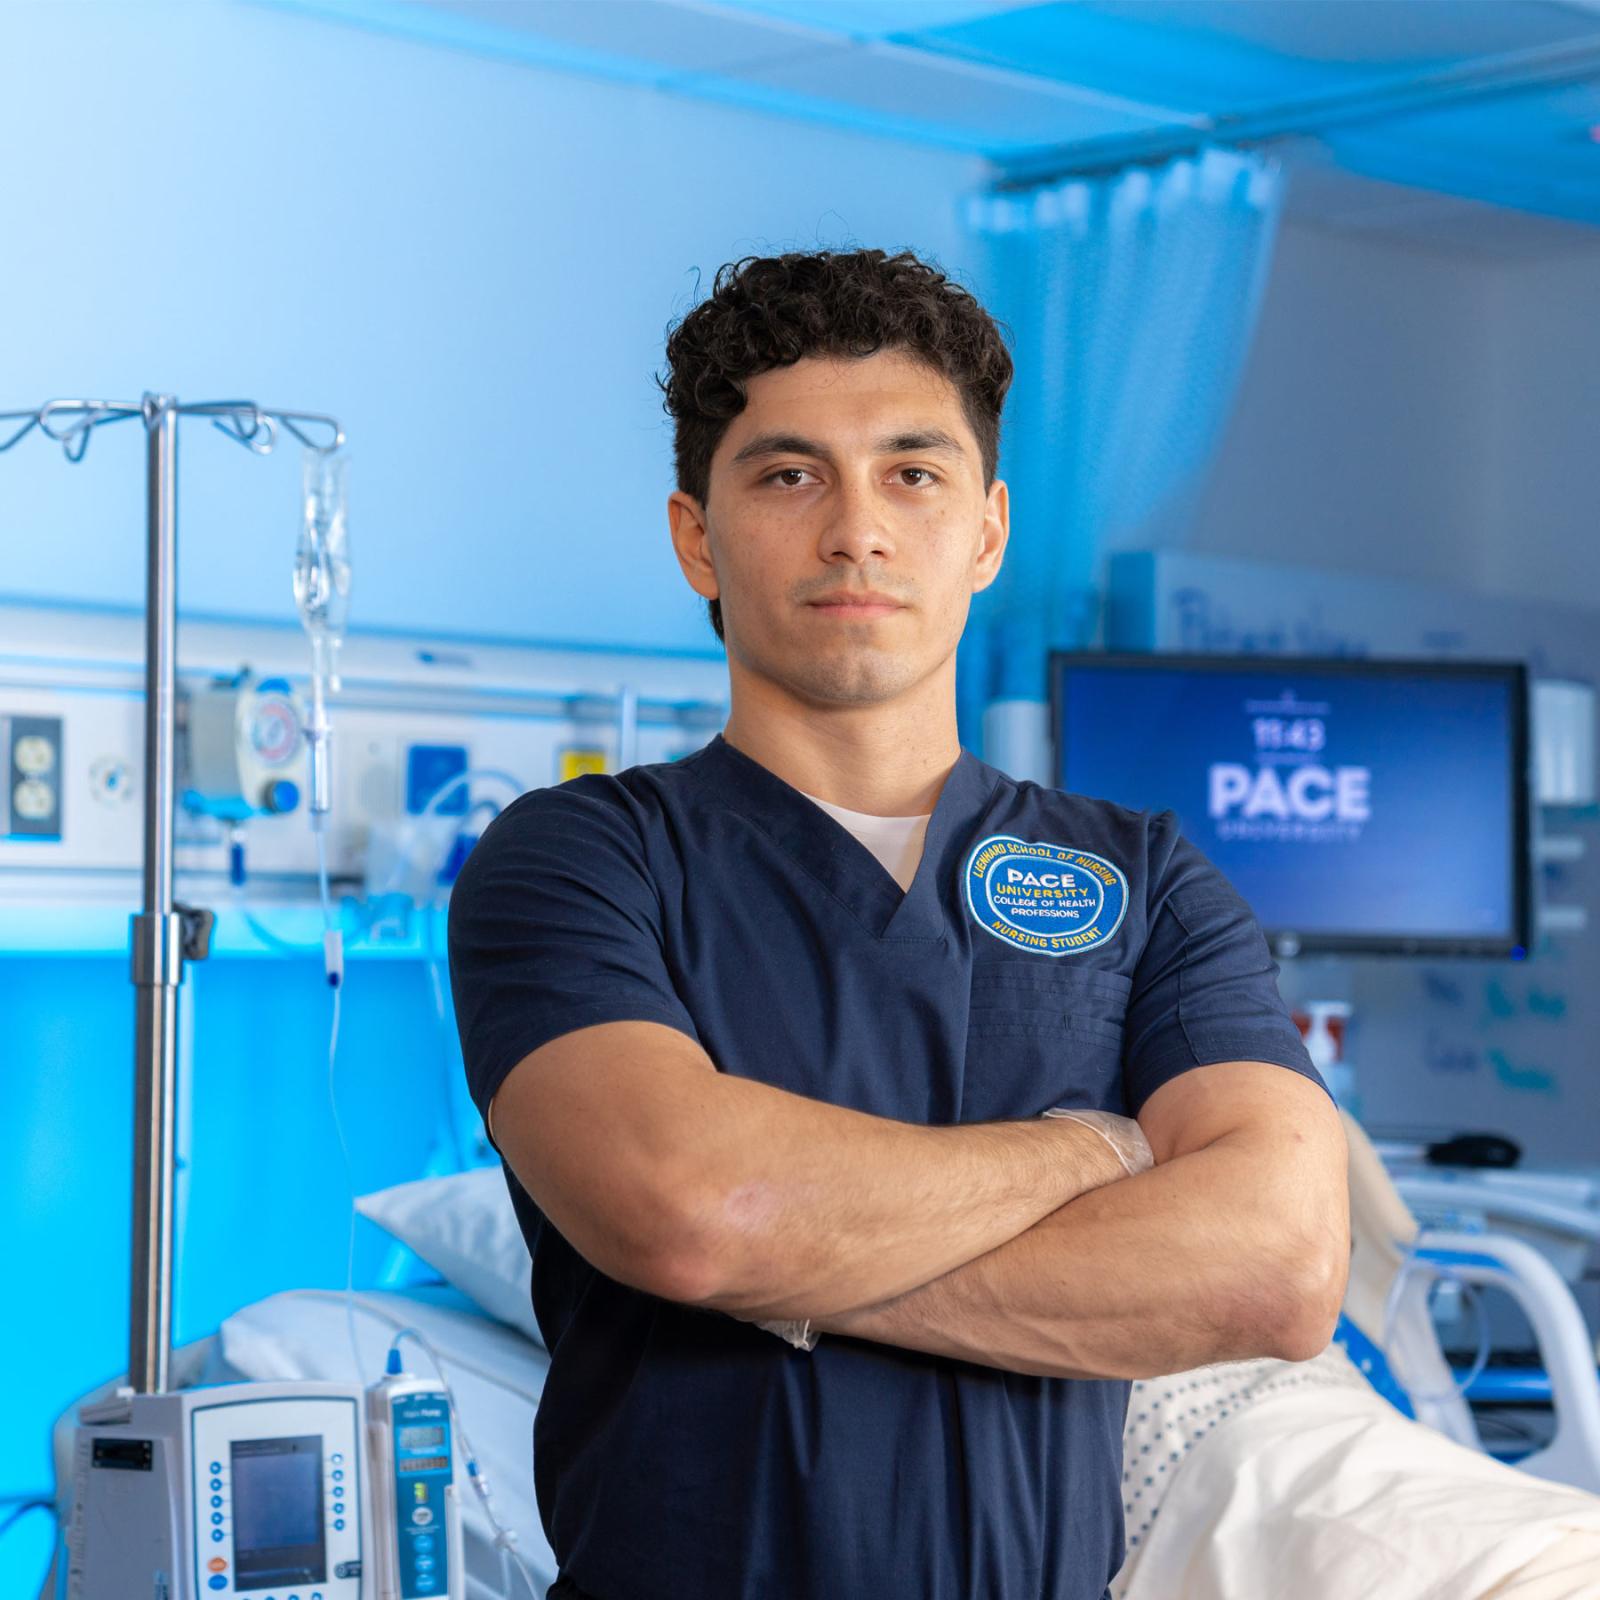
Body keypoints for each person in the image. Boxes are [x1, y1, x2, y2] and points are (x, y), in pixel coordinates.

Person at [447, 247, 1350, 1600]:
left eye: (912, 473)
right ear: (698, 531)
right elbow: (692, 1211)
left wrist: (788, 1265)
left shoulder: (1146, 880)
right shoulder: (581, 861)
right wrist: (1097, 1154)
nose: (856, 529)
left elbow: (1277, 1269)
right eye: (788, 473)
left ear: (986, 529)